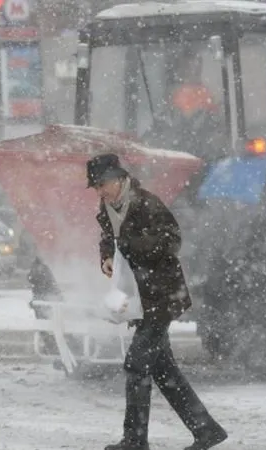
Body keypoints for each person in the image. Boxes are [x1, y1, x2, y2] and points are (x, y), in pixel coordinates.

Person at [87, 153, 227, 450]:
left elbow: (171, 241)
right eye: (96, 187)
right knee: (163, 371)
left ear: (119, 178)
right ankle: (206, 430)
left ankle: (135, 441)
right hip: (139, 297)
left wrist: (129, 246)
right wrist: (108, 257)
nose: (100, 192)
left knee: (137, 365)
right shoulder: (108, 207)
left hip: (161, 297)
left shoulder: (146, 204)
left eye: (102, 184)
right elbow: (107, 238)